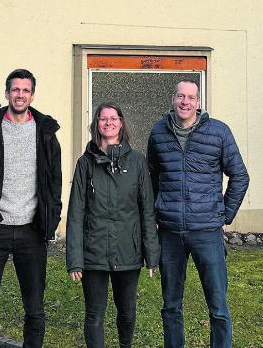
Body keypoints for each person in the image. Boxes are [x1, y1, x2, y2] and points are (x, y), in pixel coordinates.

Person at [0, 68, 62, 348]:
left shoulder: (46, 132)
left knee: (35, 310)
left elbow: (54, 181)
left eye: (25, 90)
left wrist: (50, 220)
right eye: (15, 90)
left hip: (32, 232)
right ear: (7, 94)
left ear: (32, 95)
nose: (20, 95)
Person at [147, 79, 250, 348]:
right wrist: (160, 208)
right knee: (170, 305)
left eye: (191, 98)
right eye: (181, 96)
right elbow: (152, 176)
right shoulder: (158, 132)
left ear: (198, 103)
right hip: (169, 233)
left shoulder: (218, 132)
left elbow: (239, 176)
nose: (185, 102)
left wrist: (224, 215)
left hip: (207, 232)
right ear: (173, 99)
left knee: (217, 305)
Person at [66, 102, 159, 348]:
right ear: (96, 124)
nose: (108, 122)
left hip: (128, 250)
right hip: (93, 252)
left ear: (121, 122)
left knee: (127, 313)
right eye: (103, 118)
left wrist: (152, 254)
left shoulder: (138, 162)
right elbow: (75, 213)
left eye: (113, 118)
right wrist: (75, 258)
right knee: (94, 315)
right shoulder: (85, 163)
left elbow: (146, 211)